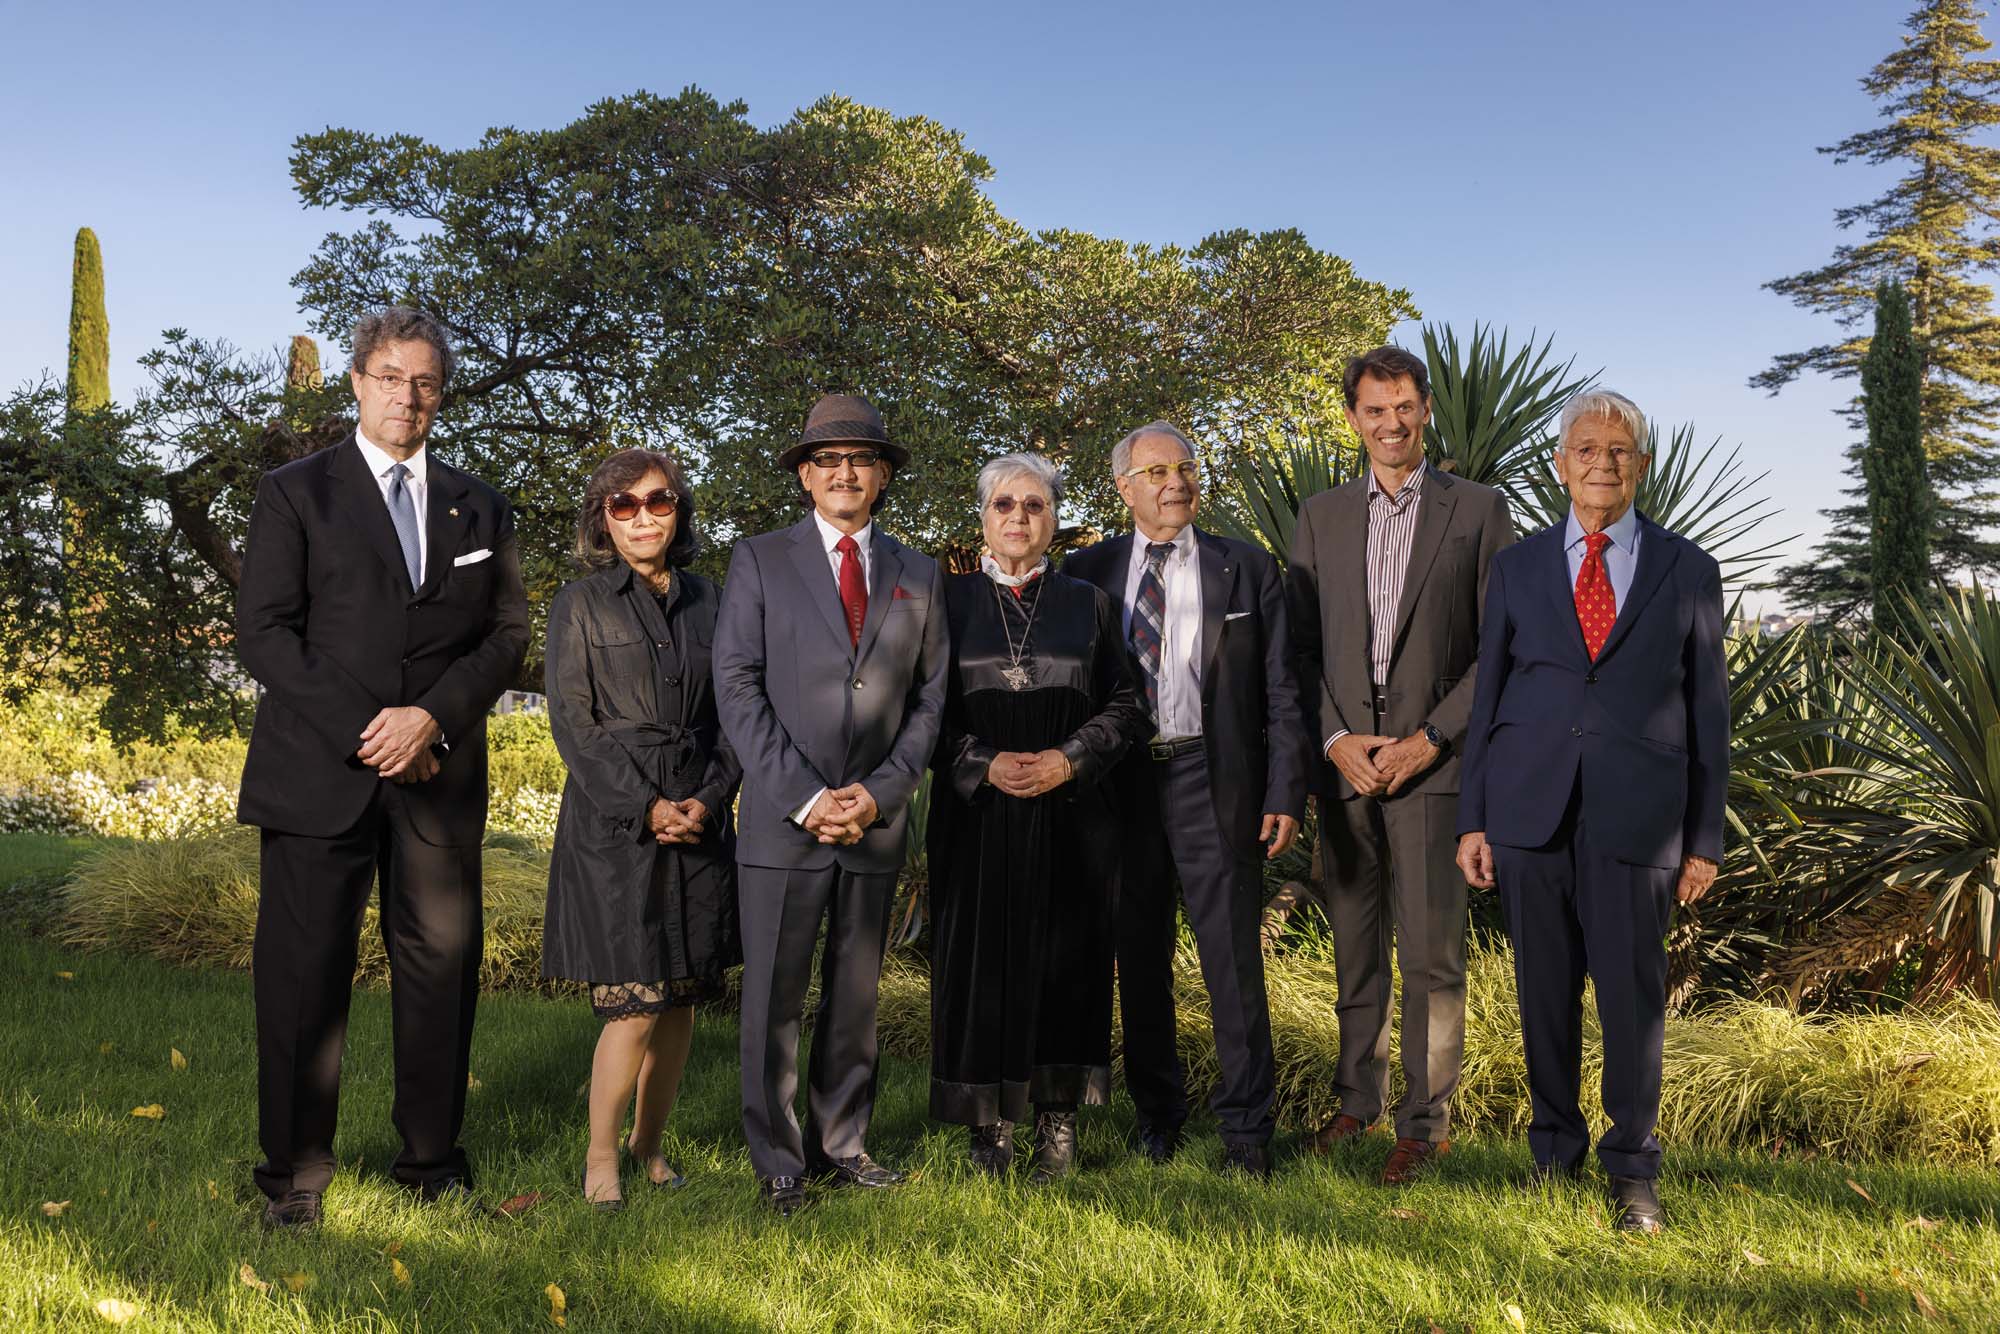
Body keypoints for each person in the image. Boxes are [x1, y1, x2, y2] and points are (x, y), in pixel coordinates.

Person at [236, 306, 529, 1229]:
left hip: (437, 777)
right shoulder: (296, 494)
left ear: (442, 393)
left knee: (441, 970)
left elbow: (509, 632)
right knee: (302, 975)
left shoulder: (481, 504)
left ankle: (432, 1164)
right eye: (392, 376)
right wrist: (375, 727)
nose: (409, 395)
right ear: (357, 383)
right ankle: (294, 1174)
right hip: (321, 772)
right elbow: (265, 633)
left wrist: (430, 719)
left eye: (427, 380)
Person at [1456, 389, 1727, 1233]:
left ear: (1640, 466)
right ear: (1560, 463)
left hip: (1640, 820)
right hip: (1530, 811)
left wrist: (1704, 838)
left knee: (1631, 1001)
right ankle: (1552, 1153)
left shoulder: (1689, 569)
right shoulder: (1520, 567)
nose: (1602, 463)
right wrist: (1474, 818)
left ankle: (1633, 1172)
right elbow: (1490, 695)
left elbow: (1710, 715)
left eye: (1619, 450)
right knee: (1543, 995)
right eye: (1586, 448)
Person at [713, 393, 949, 1217]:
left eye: (860, 459)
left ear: (882, 476)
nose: (844, 472)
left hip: (872, 824)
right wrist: (808, 796)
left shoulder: (919, 575)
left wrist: (879, 796)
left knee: (855, 997)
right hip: (786, 821)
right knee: (774, 1000)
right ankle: (779, 1159)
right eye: (828, 460)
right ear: (806, 477)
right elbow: (736, 687)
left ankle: (842, 1144)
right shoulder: (759, 561)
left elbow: (931, 702)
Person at [1286, 345, 1515, 1185]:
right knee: (1354, 951)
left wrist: (1431, 740)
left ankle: (1425, 1125)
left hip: (1433, 770)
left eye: (1404, 408)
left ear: (1426, 413)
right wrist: (1336, 739)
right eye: (1374, 410)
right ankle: (1358, 1103)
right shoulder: (1320, 516)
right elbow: (1297, 649)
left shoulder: (1481, 510)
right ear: (1353, 419)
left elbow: (1502, 647)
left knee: (1429, 959)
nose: (1391, 423)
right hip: (1346, 769)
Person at [1065, 421, 1306, 1179]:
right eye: (1157, 470)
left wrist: (1284, 790)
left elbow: (1283, 691)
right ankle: (1158, 1116)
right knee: (1139, 958)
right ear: (1123, 488)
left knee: (1231, 959)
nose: (1176, 482)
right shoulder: (1087, 572)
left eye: (1186, 467)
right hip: (1122, 785)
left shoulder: (1247, 567)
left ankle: (1246, 1132)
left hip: (1215, 779)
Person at [928, 453, 1150, 1180]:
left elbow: (1128, 705)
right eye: (1004, 506)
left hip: (1074, 811)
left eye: (1035, 506)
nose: (1019, 518)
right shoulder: (945, 601)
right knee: (981, 963)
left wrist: (1069, 757)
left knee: (1069, 962)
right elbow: (920, 709)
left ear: (1055, 519)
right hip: (977, 816)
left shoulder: (1087, 602)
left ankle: (1057, 1123)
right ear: (983, 518)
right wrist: (980, 760)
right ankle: (987, 1129)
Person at [541, 449, 743, 1212]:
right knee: (634, 1001)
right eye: (623, 506)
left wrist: (711, 797)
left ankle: (649, 1146)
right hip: (616, 825)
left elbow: (735, 712)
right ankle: (601, 1159)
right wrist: (647, 806)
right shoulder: (580, 603)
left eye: (658, 502)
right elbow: (574, 723)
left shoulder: (714, 600)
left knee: (682, 998)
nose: (643, 517)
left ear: (679, 511)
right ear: (604, 518)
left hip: (698, 814)